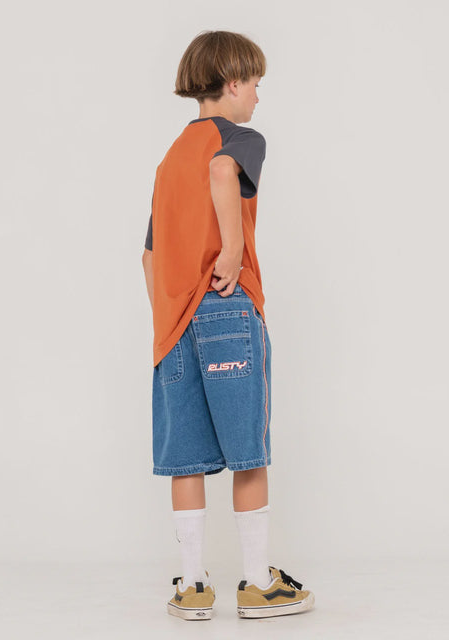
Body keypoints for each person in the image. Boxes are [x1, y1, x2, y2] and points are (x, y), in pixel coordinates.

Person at [142, 30, 315, 621]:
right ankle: (258, 583)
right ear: (234, 83)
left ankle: (192, 586)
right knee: (248, 451)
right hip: (226, 307)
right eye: (257, 85)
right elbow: (222, 171)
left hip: (173, 324)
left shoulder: (169, 160)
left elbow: (149, 256)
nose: (259, 97)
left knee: (186, 458)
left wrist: (168, 315)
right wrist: (233, 254)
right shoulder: (239, 139)